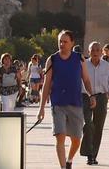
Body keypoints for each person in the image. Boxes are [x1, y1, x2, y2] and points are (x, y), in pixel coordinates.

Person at [37, 30, 96, 169]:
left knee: (76, 139)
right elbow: (46, 84)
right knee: (60, 136)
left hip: (75, 103)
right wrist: (41, 108)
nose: (62, 44)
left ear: (72, 43)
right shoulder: (52, 59)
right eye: (60, 42)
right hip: (58, 103)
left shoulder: (79, 59)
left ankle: (69, 160)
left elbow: (86, 79)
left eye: (65, 42)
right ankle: (63, 167)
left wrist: (91, 94)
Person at [81, 42, 109, 166]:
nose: (95, 52)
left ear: (101, 52)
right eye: (92, 50)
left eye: (97, 50)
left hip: (101, 97)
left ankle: (92, 155)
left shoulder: (106, 66)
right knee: (88, 124)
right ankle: (88, 152)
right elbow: (79, 81)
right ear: (88, 52)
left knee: (98, 127)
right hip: (86, 97)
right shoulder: (83, 65)